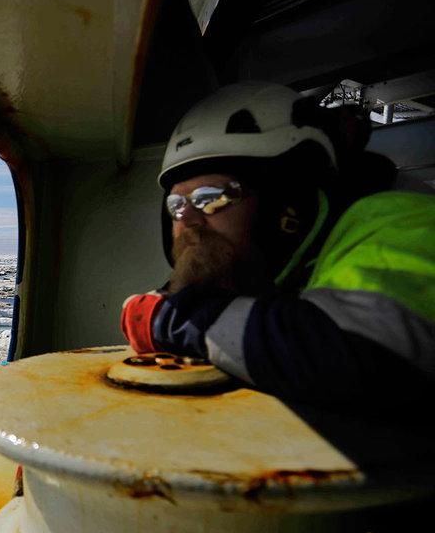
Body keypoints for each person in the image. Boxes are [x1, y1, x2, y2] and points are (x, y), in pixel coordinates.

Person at [120, 81, 435, 411]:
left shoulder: (405, 222)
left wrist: (171, 319)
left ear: (286, 203)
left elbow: (368, 354)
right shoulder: (275, 267)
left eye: (211, 199)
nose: (188, 220)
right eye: (176, 205)